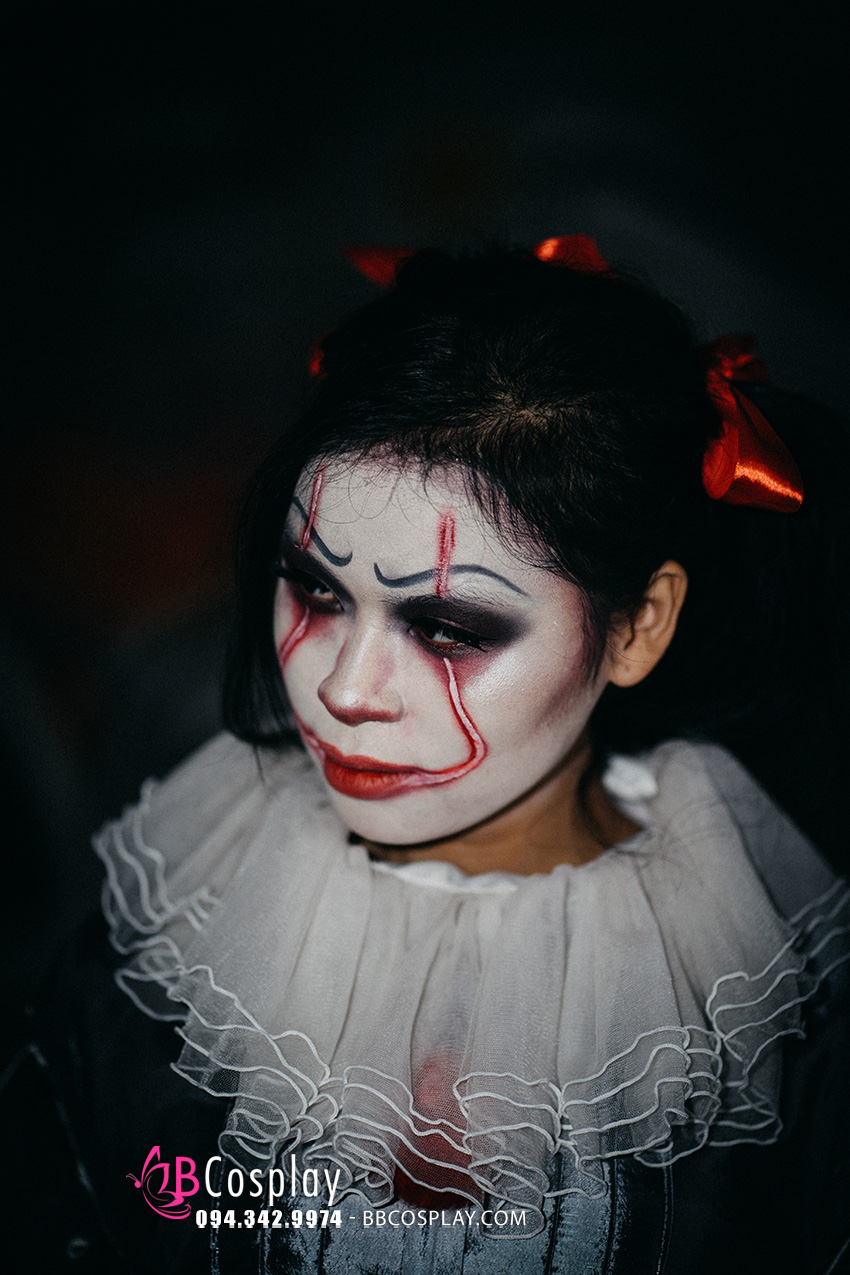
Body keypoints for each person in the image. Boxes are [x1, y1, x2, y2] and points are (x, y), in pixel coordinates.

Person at [4, 239, 849, 1274]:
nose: (344, 690)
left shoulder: (773, 1009)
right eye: (316, 589)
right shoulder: (172, 940)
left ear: (638, 626)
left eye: (448, 628)